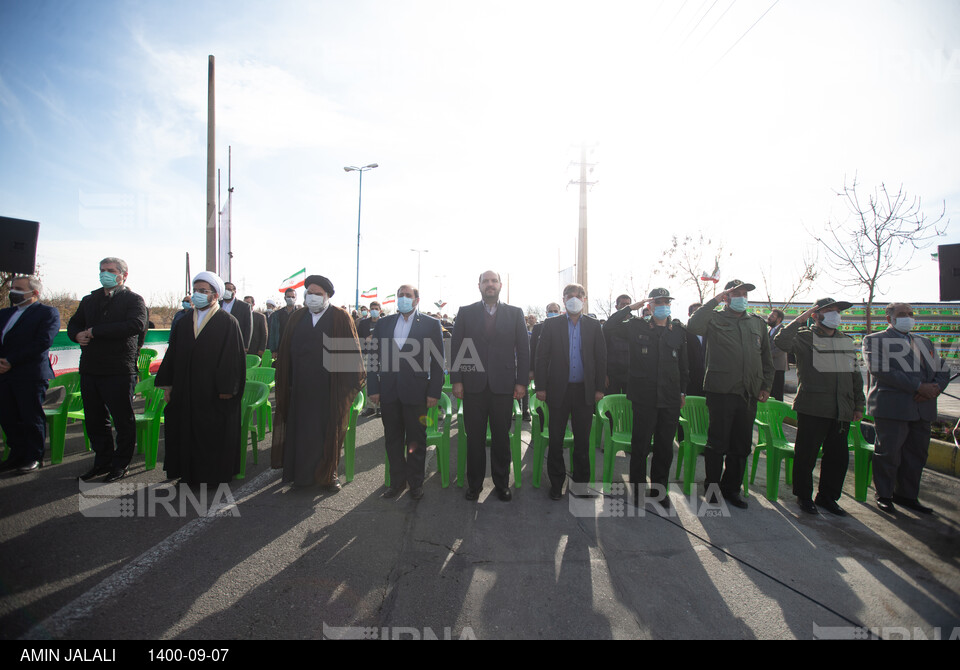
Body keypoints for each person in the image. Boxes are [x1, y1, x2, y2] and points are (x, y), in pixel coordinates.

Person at [271, 275, 364, 490]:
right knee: (301, 432)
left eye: (317, 294)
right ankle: (300, 476)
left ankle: (328, 474)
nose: (312, 298)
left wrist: (344, 388)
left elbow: (350, 354)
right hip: (301, 388)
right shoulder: (297, 317)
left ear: (328, 296)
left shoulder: (340, 317)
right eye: (309, 293)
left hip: (330, 389)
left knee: (328, 432)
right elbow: (286, 353)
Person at [687, 279, 773, 509]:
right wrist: (714, 300)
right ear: (726, 296)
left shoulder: (756, 323)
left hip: (748, 393)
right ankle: (712, 489)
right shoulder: (714, 319)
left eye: (745, 294)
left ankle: (732, 489)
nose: (742, 297)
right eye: (737, 293)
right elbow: (693, 326)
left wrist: (766, 386)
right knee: (717, 444)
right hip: (721, 391)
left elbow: (766, 358)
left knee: (741, 446)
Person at [775, 298, 864, 516]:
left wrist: (858, 404)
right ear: (816, 314)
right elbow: (781, 342)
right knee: (806, 455)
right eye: (829, 310)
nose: (835, 314)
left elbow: (855, 375)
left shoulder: (845, 340)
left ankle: (827, 497)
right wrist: (799, 320)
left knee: (838, 458)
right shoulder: (805, 337)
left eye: (837, 311)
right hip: (813, 406)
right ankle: (804, 496)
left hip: (840, 408)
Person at [155, 272, 246, 485]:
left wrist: (227, 389)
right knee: (185, 433)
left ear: (215, 295)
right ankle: (188, 475)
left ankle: (211, 477)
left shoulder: (227, 322)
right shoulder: (184, 321)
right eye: (195, 291)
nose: (197, 295)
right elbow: (173, 353)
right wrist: (168, 385)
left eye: (203, 291)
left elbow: (232, 359)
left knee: (210, 435)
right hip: (185, 390)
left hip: (213, 393)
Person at [862, 302, 950, 515]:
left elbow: (943, 370)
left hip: (923, 407)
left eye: (911, 314)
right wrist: (919, 387)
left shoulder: (924, 342)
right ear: (889, 318)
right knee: (889, 453)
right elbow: (881, 369)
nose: (908, 317)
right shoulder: (875, 340)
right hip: (893, 408)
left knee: (916, 454)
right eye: (902, 314)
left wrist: (935, 388)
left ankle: (907, 495)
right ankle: (884, 495)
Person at [604, 288, 688, 508]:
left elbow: (684, 365)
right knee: (640, 446)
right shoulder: (636, 326)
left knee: (664, 447)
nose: (662, 306)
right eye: (657, 302)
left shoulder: (677, 330)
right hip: (644, 397)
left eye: (665, 302)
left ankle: (660, 490)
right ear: (649, 305)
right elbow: (609, 326)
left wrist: (682, 392)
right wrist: (631, 308)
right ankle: (638, 490)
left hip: (669, 398)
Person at [67, 257, 148, 482]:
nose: (105, 274)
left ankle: (120, 464)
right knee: (94, 419)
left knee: (122, 419)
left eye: (111, 271)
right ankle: (102, 461)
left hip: (119, 369)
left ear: (124, 275)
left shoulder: (133, 300)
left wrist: (95, 332)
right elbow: (74, 323)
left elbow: (136, 325)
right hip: (91, 367)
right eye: (102, 270)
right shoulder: (89, 299)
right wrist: (76, 335)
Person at [451, 271, 529, 501]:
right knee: (474, 438)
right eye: (486, 281)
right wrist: (457, 380)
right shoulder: (466, 313)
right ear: (479, 286)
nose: (490, 284)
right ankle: (474, 485)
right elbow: (457, 348)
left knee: (501, 438)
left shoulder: (515, 313)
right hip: (473, 385)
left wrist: (521, 382)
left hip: (503, 386)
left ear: (500, 285)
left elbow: (524, 351)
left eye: (494, 281)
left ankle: (502, 483)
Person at [367, 284, 444, 499]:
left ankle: (416, 484)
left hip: (417, 392)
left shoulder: (430, 324)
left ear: (416, 300)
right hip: (389, 392)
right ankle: (397, 483)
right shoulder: (384, 323)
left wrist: (434, 392)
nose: (402, 298)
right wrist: (373, 387)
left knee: (416, 440)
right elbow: (373, 358)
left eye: (407, 295)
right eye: (400, 295)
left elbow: (438, 362)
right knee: (392, 439)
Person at [535, 284, 606, 500]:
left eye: (578, 296)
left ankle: (581, 485)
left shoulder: (594, 326)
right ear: (563, 299)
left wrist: (600, 388)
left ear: (584, 299)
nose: (574, 299)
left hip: (584, 391)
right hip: (558, 391)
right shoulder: (551, 324)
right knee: (556, 440)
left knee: (582, 441)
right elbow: (541, 357)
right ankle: (556, 484)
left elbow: (601, 358)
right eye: (570, 296)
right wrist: (541, 387)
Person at [0, 275, 60, 473]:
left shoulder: (47, 313)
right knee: (8, 416)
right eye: (12, 288)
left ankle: (33, 456)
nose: (13, 292)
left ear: (34, 293)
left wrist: (11, 361)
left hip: (30, 374)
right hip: (4, 374)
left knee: (30, 416)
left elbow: (42, 342)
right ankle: (16, 456)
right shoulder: (5, 313)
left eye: (18, 288)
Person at [604, 294, 633, 395]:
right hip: (612, 374)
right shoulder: (610, 325)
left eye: (628, 305)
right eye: (623, 304)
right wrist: (604, 374)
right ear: (617, 307)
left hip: (631, 374)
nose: (626, 307)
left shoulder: (636, 324)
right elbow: (603, 351)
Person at [219, 281, 252, 350]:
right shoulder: (217, 304)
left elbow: (248, 327)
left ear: (235, 291)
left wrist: (245, 345)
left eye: (229, 289)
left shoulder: (244, 306)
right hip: (219, 341)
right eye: (225, 289)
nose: (226, 291)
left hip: (236, 342)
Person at [267, 288, 298, 355]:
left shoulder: (300, 313)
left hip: (296, 348)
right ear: (285, 298)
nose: (291, 299)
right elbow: (273, 332)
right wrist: (273, 350)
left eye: (293, 297)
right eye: (288, 297)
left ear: (296, 298)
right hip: (281, 347)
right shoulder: (277, 314)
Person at [767, 309, 788, 401]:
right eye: (769, 315)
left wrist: (766, 355)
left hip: (778, 367)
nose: (769, 317)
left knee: (777, 393)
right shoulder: (768, 329)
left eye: (772, 316)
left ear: (779, 319)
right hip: (767, 367)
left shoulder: (784, 330)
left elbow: (781, 348)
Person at [685, 303, 705, 397]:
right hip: (691, 382)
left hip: (708, 384)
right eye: (696, 313)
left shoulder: (711, 332)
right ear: (689, 315)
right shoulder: (684, 334)